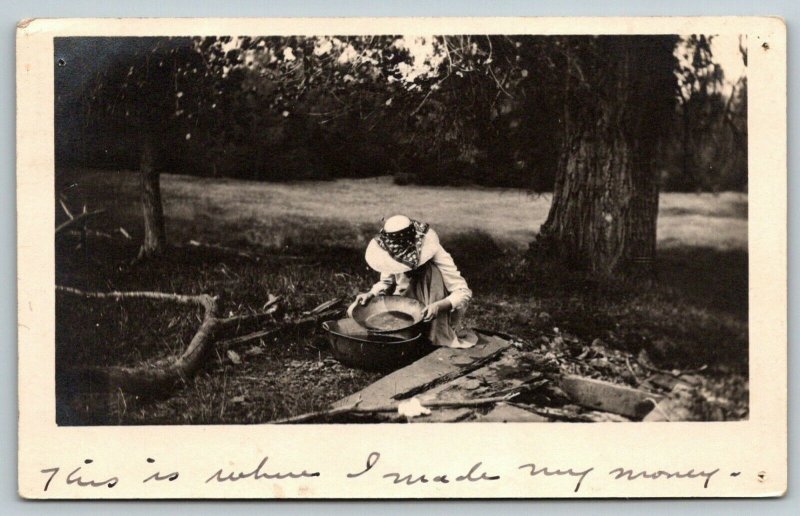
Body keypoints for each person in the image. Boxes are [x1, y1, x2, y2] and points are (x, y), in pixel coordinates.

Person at [348, 215, 474, 348]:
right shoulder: (390, 251)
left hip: (434, 304)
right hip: (405, 303)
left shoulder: (434, 250)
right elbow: (386, 283)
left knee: (432, 271)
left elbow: (463, 292)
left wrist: (438, 306)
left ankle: (432, 334)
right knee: (353, 311)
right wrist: (371, 294)